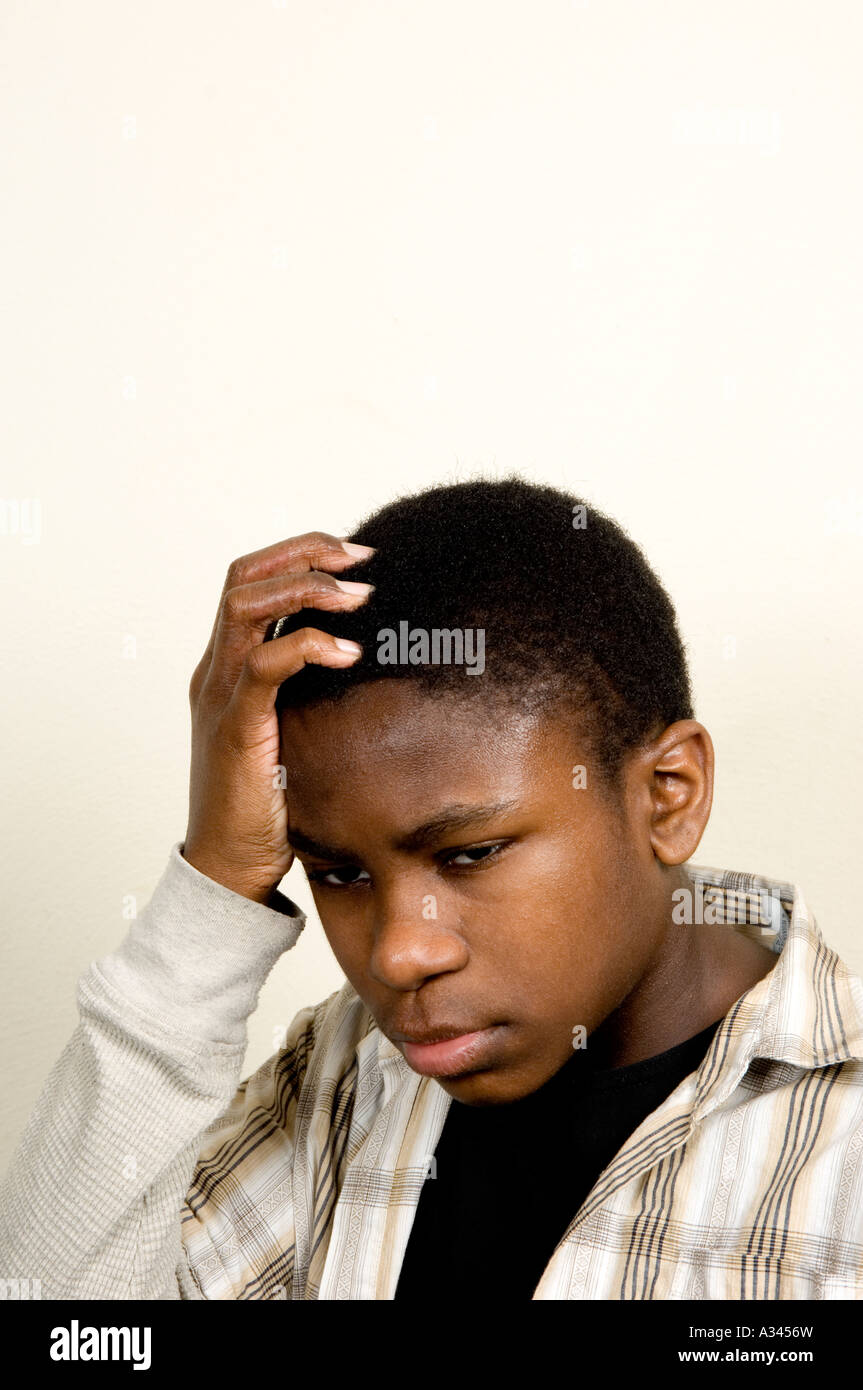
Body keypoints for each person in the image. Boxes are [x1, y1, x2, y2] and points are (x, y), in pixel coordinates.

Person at [1, 477, 861, 1300]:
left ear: (666, 795)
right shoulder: (346, 1076)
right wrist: (215, 886)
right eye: (338, 873)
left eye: (470, 853)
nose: (397, 953)